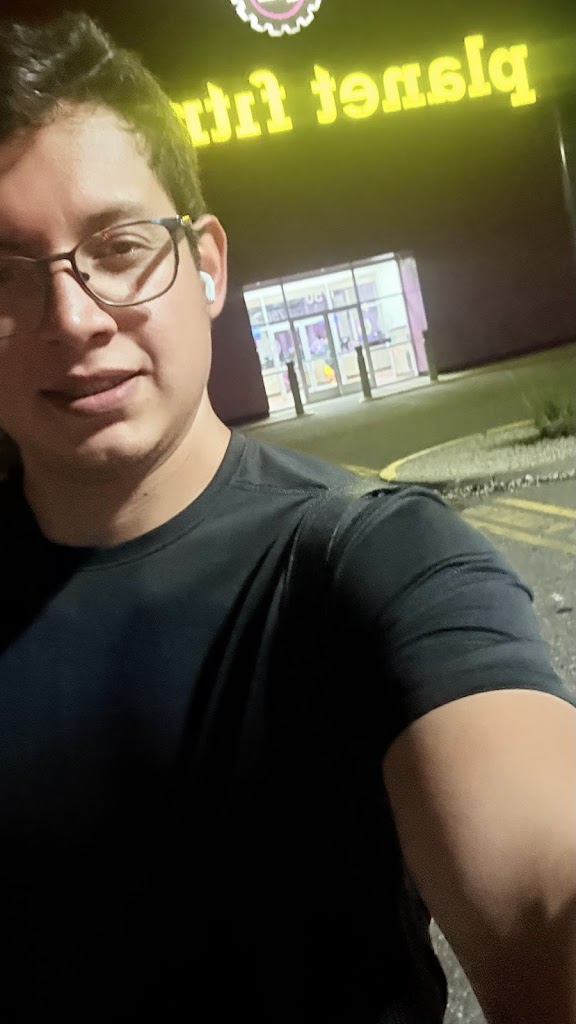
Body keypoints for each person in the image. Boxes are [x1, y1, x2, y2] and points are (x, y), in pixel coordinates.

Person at [0, 13, 574, 1024]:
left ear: (207, 264)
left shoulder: (372, 560)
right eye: (3, 272)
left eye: (120, 247)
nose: (75, 318)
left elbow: (541, 885)